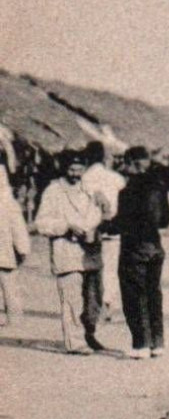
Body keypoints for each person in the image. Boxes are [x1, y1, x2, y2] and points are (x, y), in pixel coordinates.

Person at [34, 151, 108, 353]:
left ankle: (89, 334)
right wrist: (66, 226)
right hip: (66, 252)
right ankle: (75, 342)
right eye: (71, 169)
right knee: (72, 299)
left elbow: (104, 213)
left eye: (79, 170)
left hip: (91, 252)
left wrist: (101, 215)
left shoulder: (91, 189)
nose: (75, 174)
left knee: (95, 298)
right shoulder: (53, 191)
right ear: (64, 168)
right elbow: (41, 223)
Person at [114, 147, 169, 359]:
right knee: (153, 293)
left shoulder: (128, 191)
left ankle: (141, 344)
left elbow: (121, 223)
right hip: (155, 246)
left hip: (134, 247)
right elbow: (165, 220)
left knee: (134, 294)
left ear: (132, 163)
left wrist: (103, 223)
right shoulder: (159, 187)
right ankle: (157, 342)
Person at [81, 142, 124, 321]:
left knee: (92, 269)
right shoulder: (116, 178)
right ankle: (109, 305)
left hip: (90, 228)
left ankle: (94, 306)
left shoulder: (84, 178)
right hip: (113, 227)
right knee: (111, 267)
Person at [0, 160, 31, 327]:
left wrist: (22, 247)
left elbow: (18, 228)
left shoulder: (8, 203)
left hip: (5, 250)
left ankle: (13, 318)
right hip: (5, 252)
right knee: (10, 286)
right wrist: (23, 248)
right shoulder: (9, 203)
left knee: (9, 285)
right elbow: (18, 228)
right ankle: (14, 319)